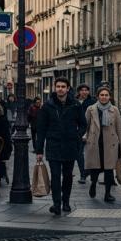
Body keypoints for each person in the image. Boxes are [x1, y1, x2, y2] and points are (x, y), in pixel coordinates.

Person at [35, 78, 86, 216]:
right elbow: (41, 129)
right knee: (56, 176)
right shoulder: (47, 106)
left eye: (63, 86)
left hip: (70, 145)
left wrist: (77, 135)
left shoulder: (75, 105)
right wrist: (39, 150)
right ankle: (56, 204)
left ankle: (66, 202)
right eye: (58, 86)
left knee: (68, 176)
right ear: (54, 88)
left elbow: (83, 124)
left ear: (68, 88)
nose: (60, 89)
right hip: (53, 145)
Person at [83, 86, 121, 203]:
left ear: (110, 97)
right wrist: (84, 137)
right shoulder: (91, 109)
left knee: (109, 170)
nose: (104, 97)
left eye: (106, 95)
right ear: (98, 96)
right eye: (102, 95)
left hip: (110, 145)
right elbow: (85, 126)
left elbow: (120, 129)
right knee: (95, 169)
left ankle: (107, 194)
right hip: (94, 143)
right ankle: (93, 183)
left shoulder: (115, 110)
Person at [74, 84, 96, 184]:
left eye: (86, 90)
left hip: (90, 130)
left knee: (91, 153)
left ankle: (88, 171)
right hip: (77, 131)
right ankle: (83, 174)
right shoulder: (74, 102)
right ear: (79, 91)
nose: (84, 92)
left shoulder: (92, 102)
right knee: (79, 154)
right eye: (82, 90)